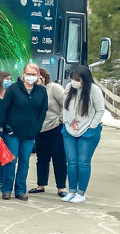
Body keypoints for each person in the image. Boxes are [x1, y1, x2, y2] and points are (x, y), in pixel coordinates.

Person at [0, 63, 47, 201]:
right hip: (12, 131)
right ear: (23, 74)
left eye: (33, 75)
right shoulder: (13, 89)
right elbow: (4, 109)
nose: (31, 77)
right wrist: (0, 126)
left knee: (24, 162)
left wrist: (37, 127)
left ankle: (20, 190)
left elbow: (43, 112)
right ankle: (6, 189)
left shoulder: (42, 91)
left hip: (30, 133)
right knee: (11, 161)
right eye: (28, 74)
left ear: (38, 76)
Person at [61, 66, 105, 204]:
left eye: (77, 79)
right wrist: (66, 122)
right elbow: (64, 107)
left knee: (83, 162)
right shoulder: (69, 88)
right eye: (72, 78)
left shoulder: (94, 90)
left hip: (87, 130)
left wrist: (91, 127)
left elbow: (100, 110)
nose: (74, 82)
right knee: (71, 162)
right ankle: (72, 191)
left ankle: (81, 192)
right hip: (69, 130)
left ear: (84, 79)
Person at [31, 68, 67, 197]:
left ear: (44, 77)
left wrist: (61, 120)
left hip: (56, 127)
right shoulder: (33, 91)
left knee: (59, 158)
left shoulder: (54, 88)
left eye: (37, 76)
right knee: (42, 158)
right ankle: (40, 185)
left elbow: (66, 103)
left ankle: (61, 188)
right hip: (40, 129)